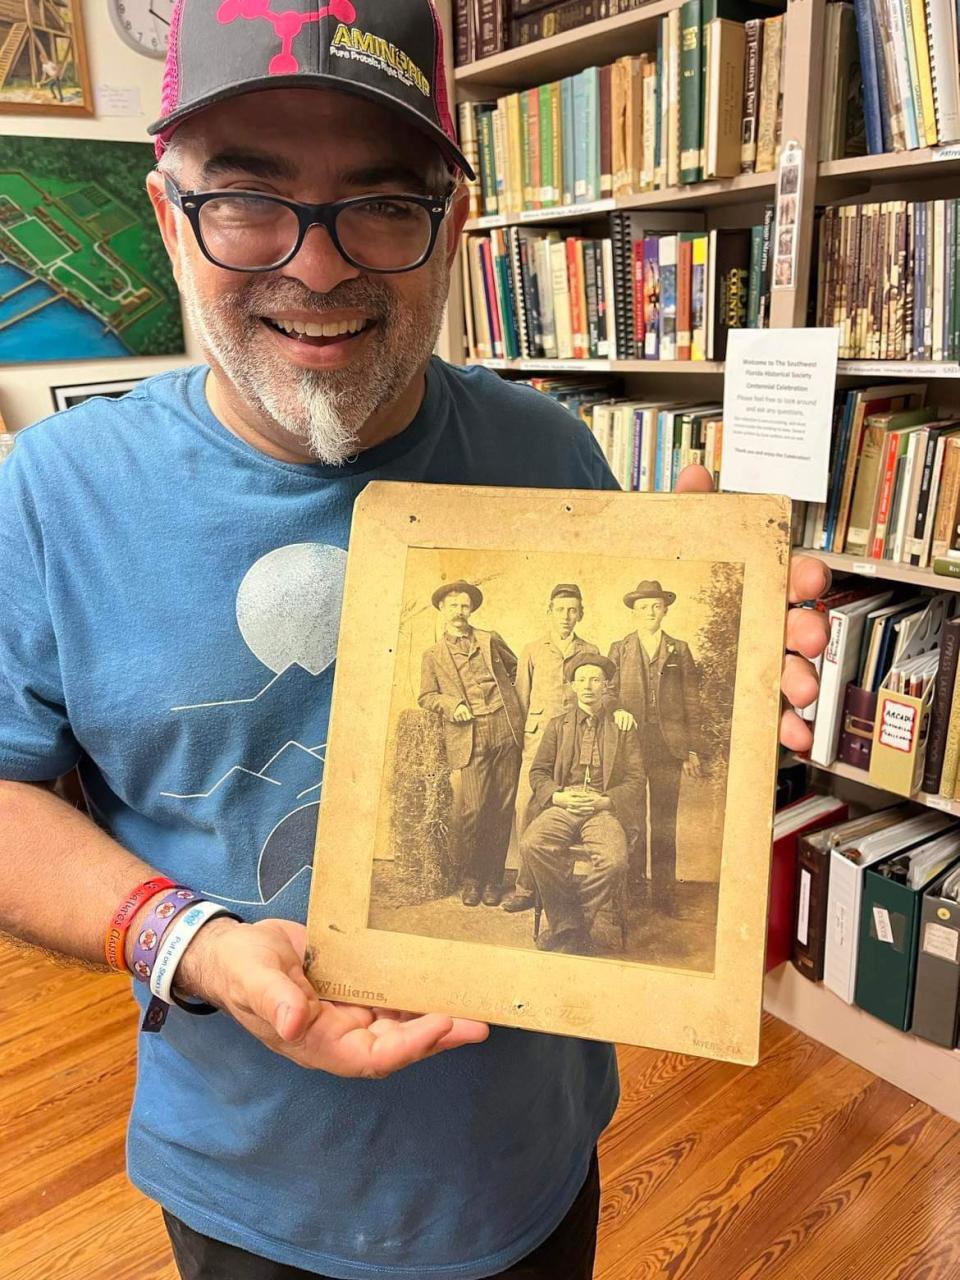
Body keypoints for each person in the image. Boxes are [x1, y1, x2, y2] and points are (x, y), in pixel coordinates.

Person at [0, 0, 829, 1275]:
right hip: (251, 1191)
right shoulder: (50, 496)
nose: (320, 267)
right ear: (168, 219)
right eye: (247, 198)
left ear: (457, 224)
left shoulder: (550, 453)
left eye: (384, 203)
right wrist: (194, 942)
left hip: (530, 1162)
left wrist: (716, 690)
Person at [521, 655, 642, 955]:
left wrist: (605, 801)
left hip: (602, 807)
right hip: (564, 803)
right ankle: (572, 926)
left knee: (615, 861)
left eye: (596, 680)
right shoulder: (557, 725)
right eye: (582, 679)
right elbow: (538, 772)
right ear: (573, 685)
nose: (589, 686)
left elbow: (637, 778)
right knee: (532, 844)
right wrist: (558, 796)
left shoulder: (621, 726)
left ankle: (569, 922)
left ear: (606, 686)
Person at [418, 580, 523, 906]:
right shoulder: (433, 655)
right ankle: (472, 878)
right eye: (453, 606)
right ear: (442, 610)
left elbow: (516, 669)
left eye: (464, 605)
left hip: (505, 729)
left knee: (503, 808)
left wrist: (510, 704)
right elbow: (426, 696)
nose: (459, 612)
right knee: (475, 810)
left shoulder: (490, 640)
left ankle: (493, 880)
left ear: (472, 609)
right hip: (470, 734)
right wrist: (453, 706)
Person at [502, 583, 599, 914]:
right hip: (536, 739)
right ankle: (525, 887)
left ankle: (556, 886)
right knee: (526, 805)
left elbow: (595, 697)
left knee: (565, 806)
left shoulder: (590, 649)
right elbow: (520, 700)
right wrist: (519, 745)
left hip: (573, 740)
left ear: (581, 614)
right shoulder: (532, 649)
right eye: (560, 609)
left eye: (573, 610)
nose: (566, 616)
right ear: (550, 611)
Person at [607, 580, 702, 910]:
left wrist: (691, 749)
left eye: (655, 606)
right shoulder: (620, 648)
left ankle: (664, 895)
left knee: (664, 821)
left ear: (665, 610)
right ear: (634, 612)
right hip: (630, 744)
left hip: (667, 746)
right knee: (632, 818)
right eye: (643, 607)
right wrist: (617, 708)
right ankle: (632, 891)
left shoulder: (679, 648)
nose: (649, 611)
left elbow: (692, 701)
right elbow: (609, 691)